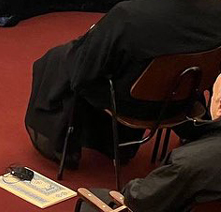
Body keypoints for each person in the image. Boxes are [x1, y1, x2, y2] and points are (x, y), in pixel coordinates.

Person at [25, 0, 221, 167]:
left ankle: (65, 144)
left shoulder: (129, 15)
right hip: (183, 102)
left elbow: (83, 72)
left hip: (132, 104)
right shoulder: (216, 8)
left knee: (58, 59)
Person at [77, 73, 221, 212]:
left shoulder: (188, 163)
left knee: (92, 198)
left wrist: (131, 188)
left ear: (219, 105)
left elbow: (139, 201)